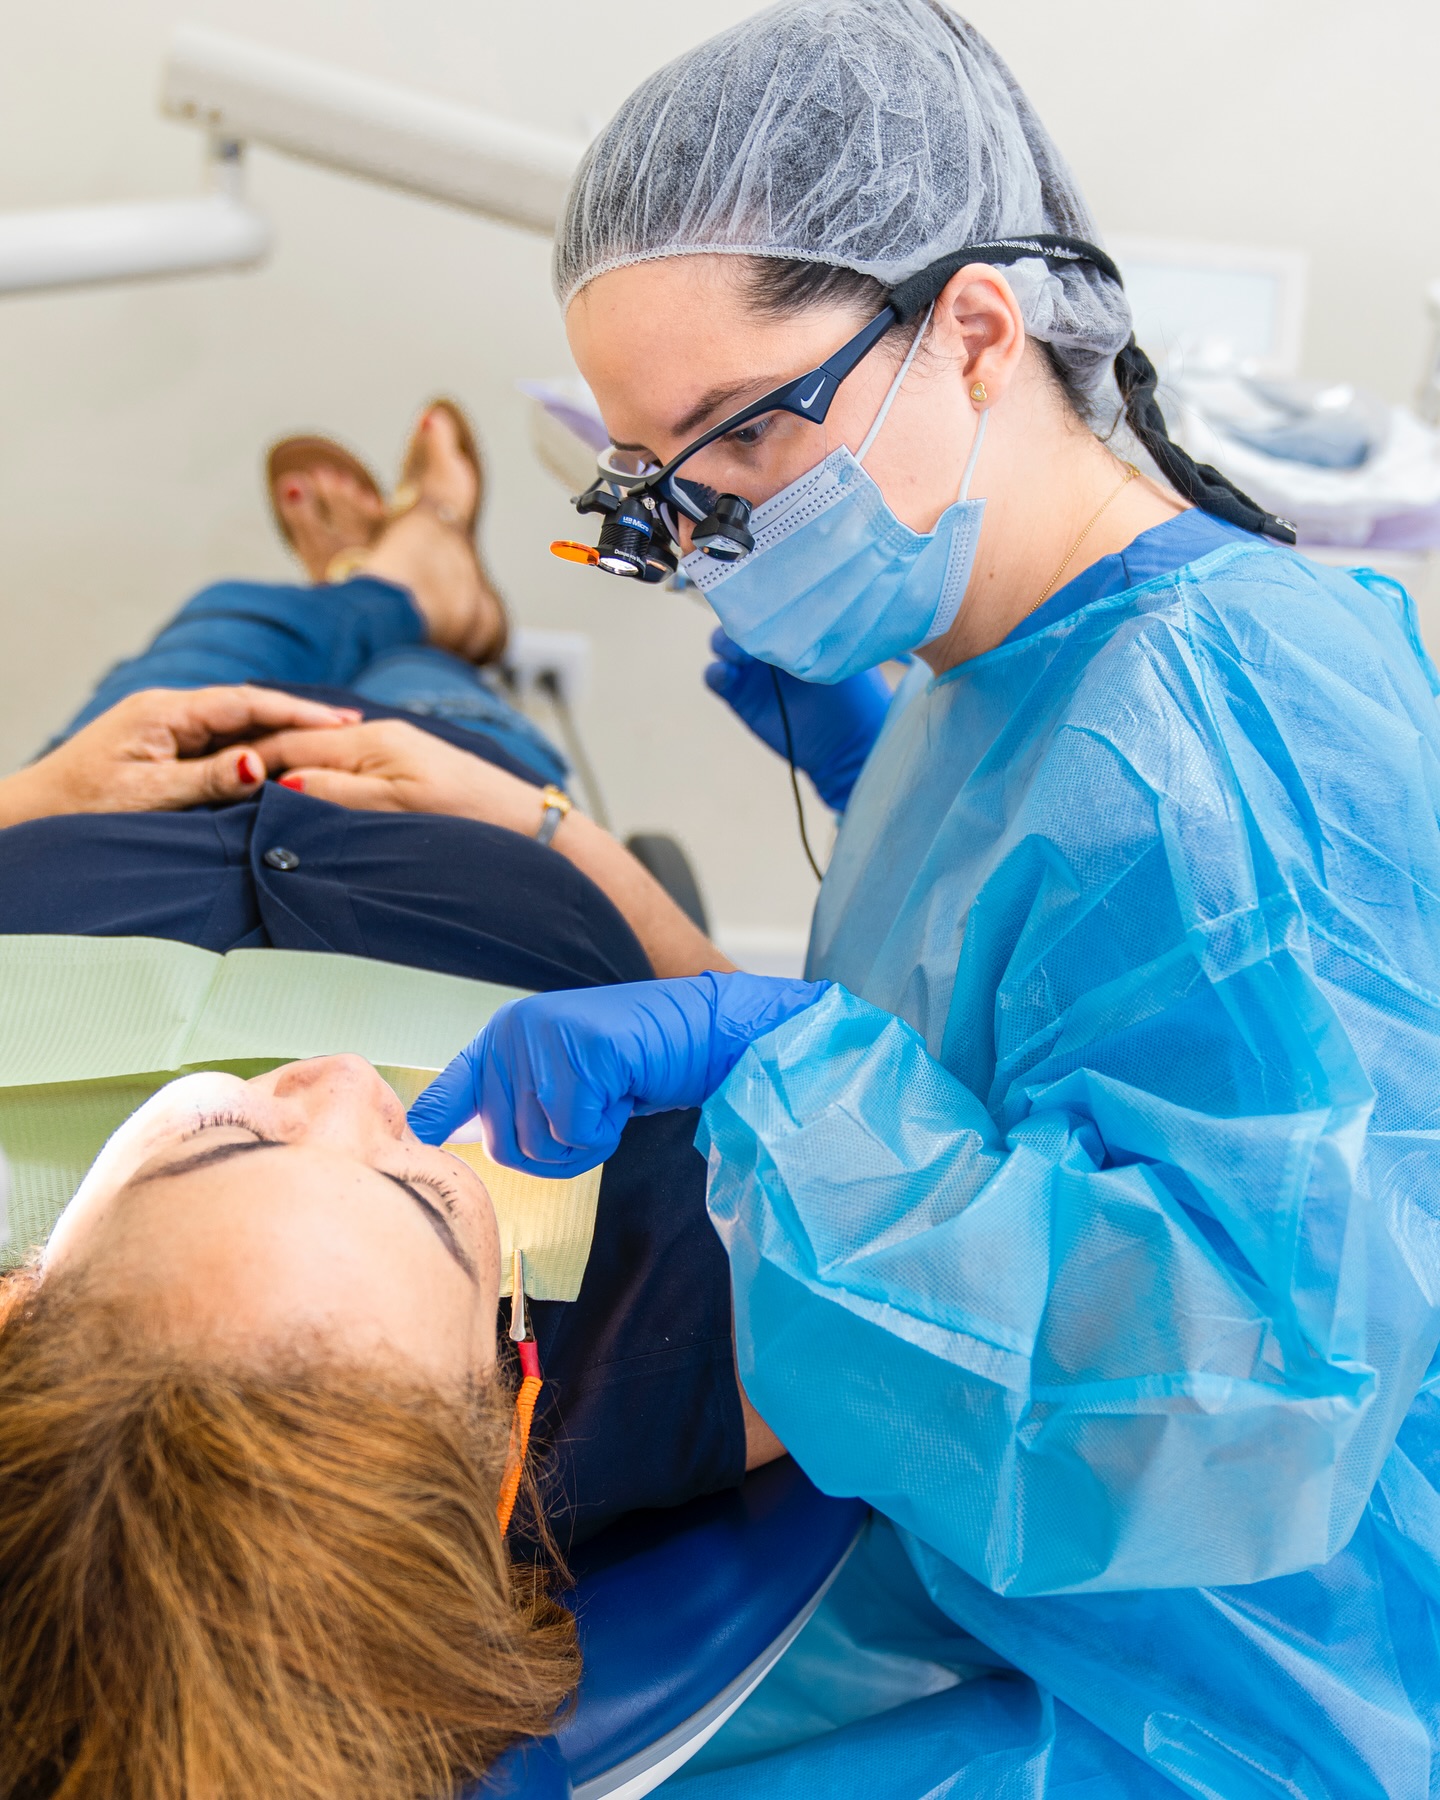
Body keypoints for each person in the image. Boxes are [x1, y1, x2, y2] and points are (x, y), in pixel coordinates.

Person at [391, 3, 1440, 1795]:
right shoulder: (1001, 667)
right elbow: (1057, 994)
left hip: (1212, 1674)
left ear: (971, 328)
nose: (707, 531)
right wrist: (887, 771)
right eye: (659, 482)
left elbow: (1243, 1392)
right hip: (984, 1538)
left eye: (742, 439)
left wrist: (770, 1059)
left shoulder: (1223, 722)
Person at [0, 404, 784, 1800]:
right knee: (422, 673)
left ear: (20, 1302)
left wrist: (33, 796)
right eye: (425, 1190)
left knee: (209, 646)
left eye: (213, 1132)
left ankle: (367, 576)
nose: (347, 1090)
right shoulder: (683, 1353)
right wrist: (551, 827)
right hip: (459, 813)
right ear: (501, 1429)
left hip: (108, 799)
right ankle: (425, 589)